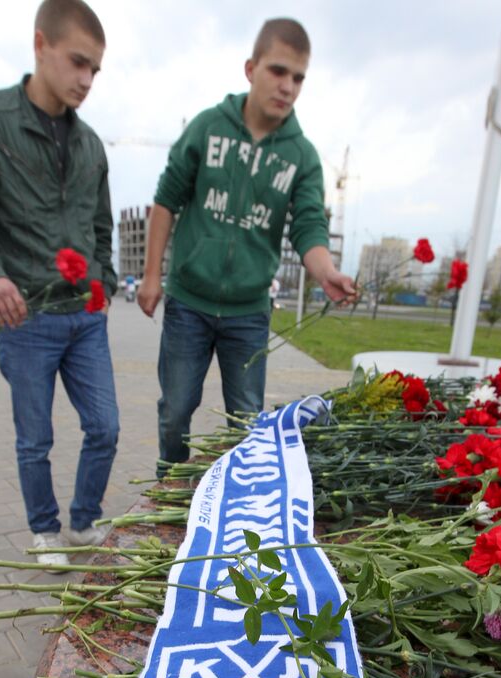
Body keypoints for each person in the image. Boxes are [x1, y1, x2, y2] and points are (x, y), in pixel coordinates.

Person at [0, 0, 119, 568]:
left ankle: (83, 523)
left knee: (106, 428)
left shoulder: (90, 145)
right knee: (34, 439)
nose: (87, 80)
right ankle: (44, 530)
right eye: (77, 62)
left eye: (96, 70)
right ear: (41, 45)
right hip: (27, 319)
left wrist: (104, 284)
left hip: (85, 318)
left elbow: (102, 228)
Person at [137, 17, 357, 477]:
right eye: (278, 71)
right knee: (175, 410)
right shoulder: (207, 127)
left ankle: (239, 504)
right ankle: (167, 485)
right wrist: (153, 274)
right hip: (189, 302)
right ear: (250, 68)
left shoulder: (301, 156)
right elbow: (166, 200)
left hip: (249, 313)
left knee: (247, 421)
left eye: (298, 78)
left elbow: (309, 226)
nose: (288, 86)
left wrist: (326, 272)